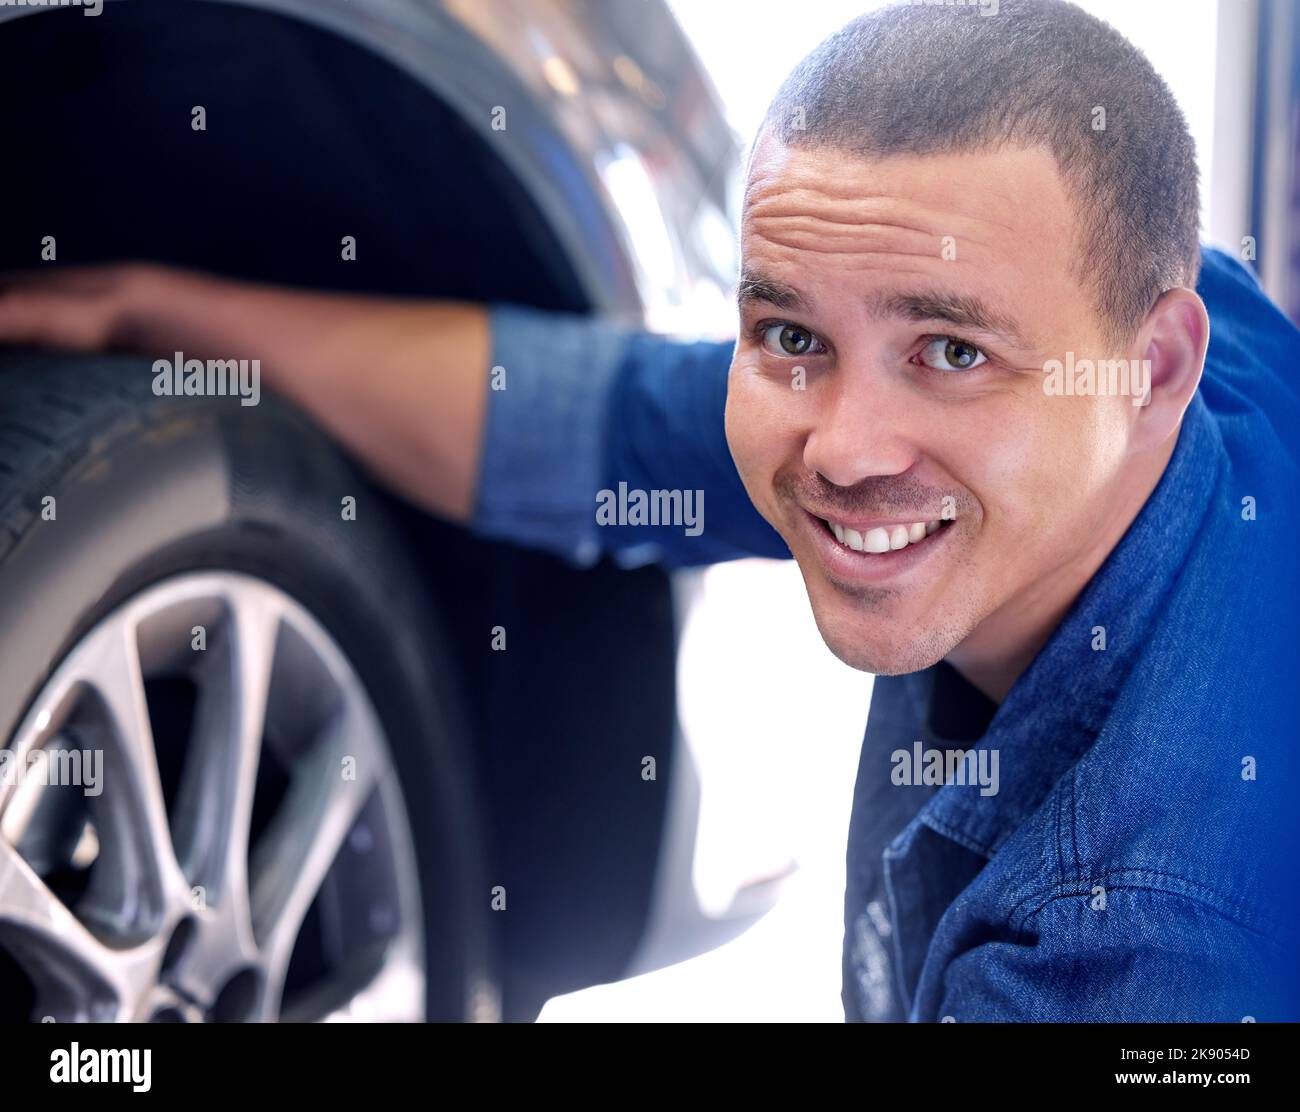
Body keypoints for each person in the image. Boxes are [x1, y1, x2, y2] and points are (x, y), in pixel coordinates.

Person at [1, 0, 1297, 1021]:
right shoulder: (1184, 349)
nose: (840, 448)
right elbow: (601, 427)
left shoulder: (1129, 949)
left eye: (951, 353)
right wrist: (151, 317)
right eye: (790, 333)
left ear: (1156, 367)